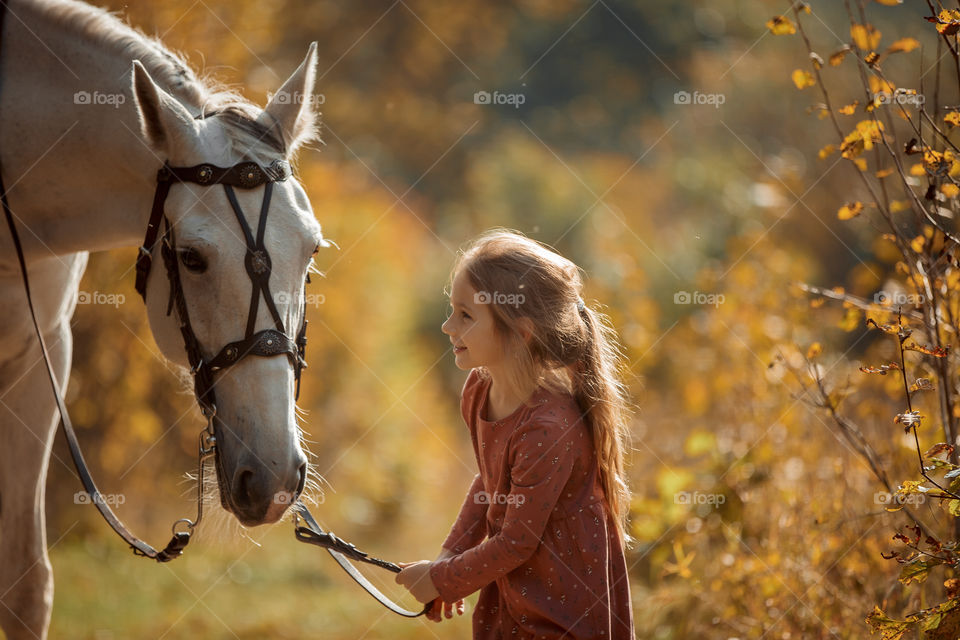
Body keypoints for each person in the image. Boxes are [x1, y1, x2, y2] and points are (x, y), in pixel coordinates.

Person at [396, 229, 635, 639]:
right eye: (452, 309)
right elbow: (489, 483)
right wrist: (449, 558)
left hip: (562, 605)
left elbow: (516, 542)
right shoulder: (479, 389)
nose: (447, 325)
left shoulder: (547, 428)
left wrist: (446, 578)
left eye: (466, 315)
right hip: (514, 590)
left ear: (519, 332)